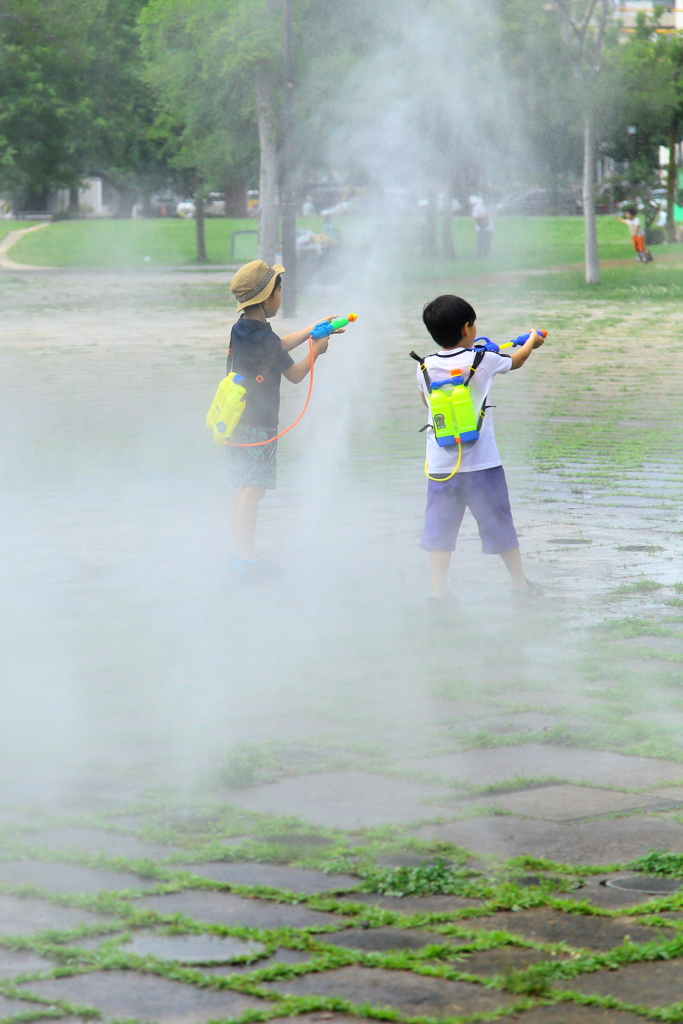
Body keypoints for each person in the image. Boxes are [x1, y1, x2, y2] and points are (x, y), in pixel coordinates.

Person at [416, 294, 545, 611]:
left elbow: (428, 404)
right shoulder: (484, 361)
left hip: (441, 465)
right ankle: (520, 585)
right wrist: (531, 340)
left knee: (440, 529)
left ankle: (438, 595)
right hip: (482, 465)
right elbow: (517, 359)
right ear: (466, 328)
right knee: (498, 523)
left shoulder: (425, 366)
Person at [227, 259, 341, 580]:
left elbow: (275, 346)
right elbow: (293, 374)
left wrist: (311, 330)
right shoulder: (264, 339)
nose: (281, 294)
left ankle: (238, 554)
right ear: (266, 298)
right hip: (258, 425)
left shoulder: (244, 329)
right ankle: (248, 562)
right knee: (254, 490)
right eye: (279, 289)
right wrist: (316, 351)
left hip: (236, 421)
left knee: (243, 488)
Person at [470, 195, 493, 259]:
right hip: (480, 228)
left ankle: (487, 256)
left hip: (489, 228)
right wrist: (483, 216)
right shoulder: (478, 206)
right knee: (479, 243)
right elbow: (474, 216)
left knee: (487, 244)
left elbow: (494, 214)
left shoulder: (489, 206)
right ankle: (478, 257)